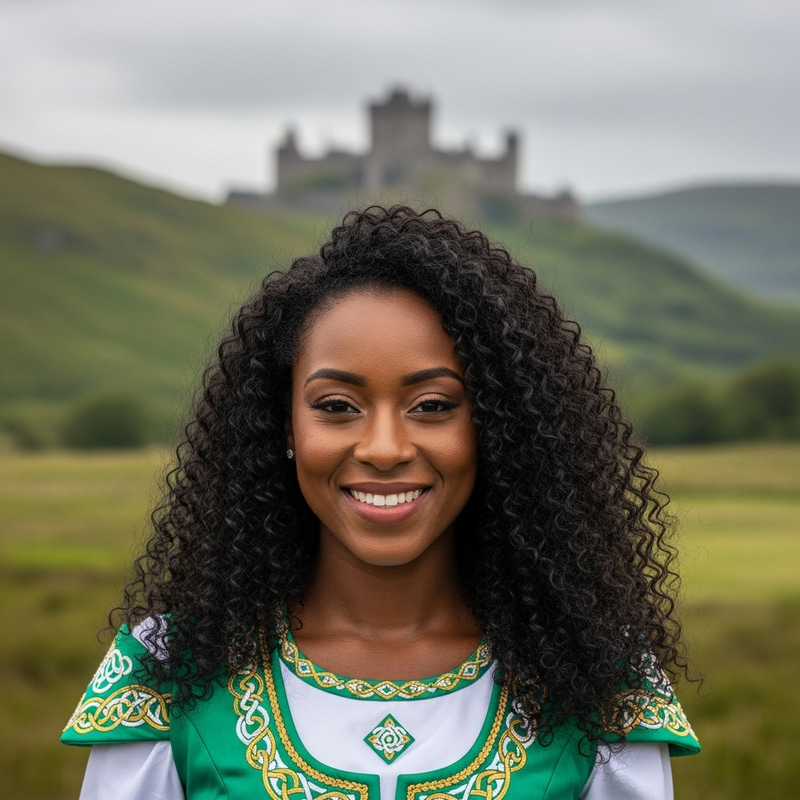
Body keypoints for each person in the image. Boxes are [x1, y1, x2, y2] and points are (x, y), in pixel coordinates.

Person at [62, 205, 700, 799]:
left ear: (497, 426)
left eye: (433, 406)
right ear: (284, 427)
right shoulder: (169, 671)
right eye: (338, 406)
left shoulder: (600, 678)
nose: (386, 448)